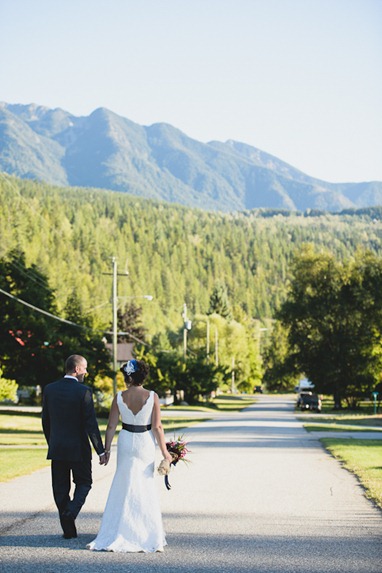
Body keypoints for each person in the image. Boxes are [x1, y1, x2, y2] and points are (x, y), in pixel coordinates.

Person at [87, 359, 172, 552]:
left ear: (129, 376)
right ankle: (147, 533)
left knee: (123, 482)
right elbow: (157, 427)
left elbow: (111, 426)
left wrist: (106, 450)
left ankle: (119, 529)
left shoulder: (119, 396)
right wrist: (165, 452)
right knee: (145, 483)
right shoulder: (152, 396)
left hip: (125, 440)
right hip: (144, 441)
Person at [42, 354, 107, 539]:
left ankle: (68, 529)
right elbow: (91, 424)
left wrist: (52, 442)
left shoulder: (49, 389)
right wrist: (100, 450)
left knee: (60, 488)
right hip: (79, 450)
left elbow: (45, 421)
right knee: (84, 482)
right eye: (85, 368)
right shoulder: (83, 391)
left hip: (57, 448)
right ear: (77, 369)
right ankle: (70, 513)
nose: (86, 372)